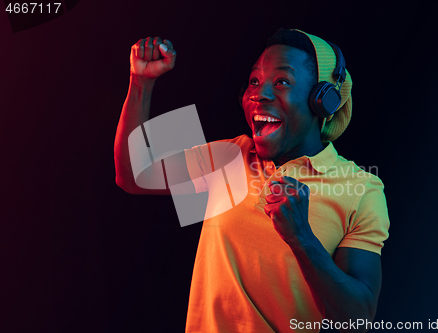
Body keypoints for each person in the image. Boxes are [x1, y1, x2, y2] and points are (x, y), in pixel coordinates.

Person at [114, 28, 390, 333]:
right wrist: (141, 83)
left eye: (282, 82)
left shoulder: (362, 189)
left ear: (322, 100)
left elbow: (358, 320)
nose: (260, 94)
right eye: (254, 81)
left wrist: (301, 237)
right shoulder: (230, 155)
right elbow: (133, 176)